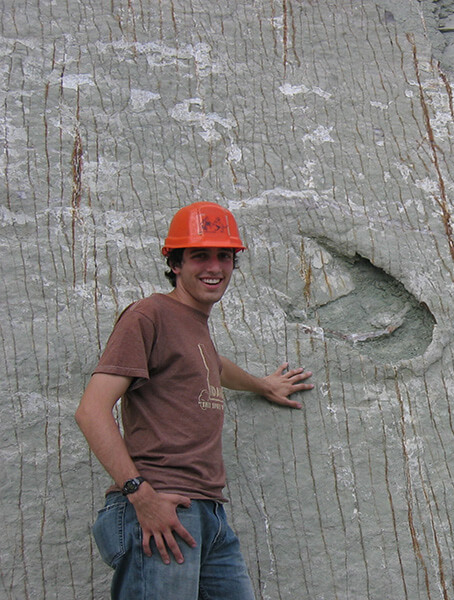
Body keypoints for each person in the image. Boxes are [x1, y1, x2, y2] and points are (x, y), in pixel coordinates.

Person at [75, 202, 313, 599]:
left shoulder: (194, 327)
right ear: (174, 263)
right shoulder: (148, 316)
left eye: (224, 256)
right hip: (161, 508)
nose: (214, 267)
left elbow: (214, 367)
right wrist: (140, 494)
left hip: (210, 514)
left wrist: (262, 385)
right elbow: (91, 411)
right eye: (200, 255)